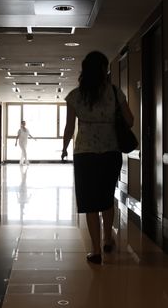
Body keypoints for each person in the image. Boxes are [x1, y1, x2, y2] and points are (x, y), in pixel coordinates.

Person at [61, 51, 134, 264]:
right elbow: (129, 121)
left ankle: (95, 251)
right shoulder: (114, 92)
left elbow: (69, 127)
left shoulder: (75, 96)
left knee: (89, 202)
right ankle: (108, 238)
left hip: (84, 154)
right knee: (106, 197)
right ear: (104, 70)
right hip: (111, 152)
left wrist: (64, 148)